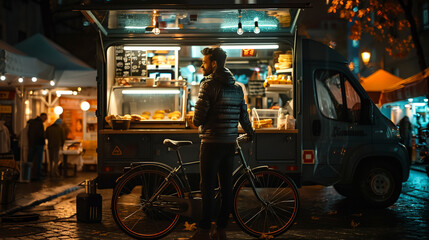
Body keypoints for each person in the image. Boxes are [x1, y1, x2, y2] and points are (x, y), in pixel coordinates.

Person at [192, 47, 254, 240]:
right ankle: (221, 225)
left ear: (214, 64)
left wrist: (197, 117)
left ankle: (203, 227)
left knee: (207, 186)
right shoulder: (237, 88)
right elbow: (244, 115)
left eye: (205, 62)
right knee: (227, 185)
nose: (202, 65)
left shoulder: (208, 85)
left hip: (211, 142)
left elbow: (197, 119)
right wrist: (250, 132)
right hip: (229, 143)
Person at [27, 113, 47, 181]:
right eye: (45, 118)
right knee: (38, 161)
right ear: (42, 117)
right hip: (39, 143)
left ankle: (28, 176)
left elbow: (30, 134)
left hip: (32, 144)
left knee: (30, 160)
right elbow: (40, 134)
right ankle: (38, 176)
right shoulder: (39, 123)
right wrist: (44, 137)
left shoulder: (32, 122)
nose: (45, 120)